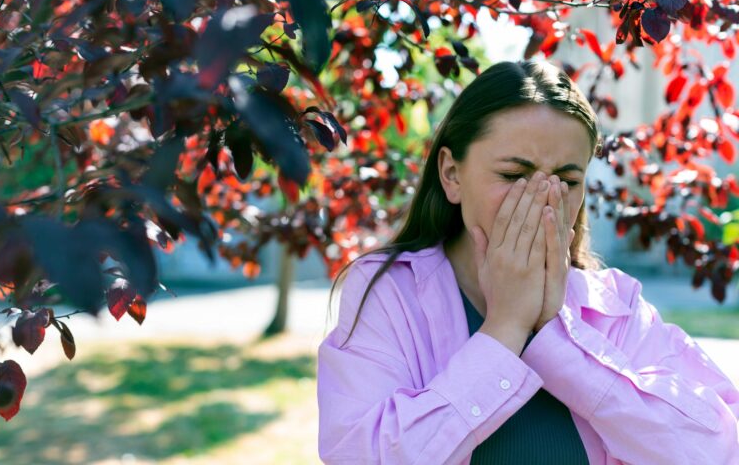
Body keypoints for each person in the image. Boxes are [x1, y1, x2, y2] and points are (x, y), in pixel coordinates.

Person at [316, 60, 739, 464]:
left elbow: (720, 450)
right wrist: (505, 330)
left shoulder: (617, 306)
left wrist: (559, 341)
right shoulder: (388, 291)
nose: (545, 200)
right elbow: (360, 454)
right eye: (514, 175)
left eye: (568, 181)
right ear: (451, 174)